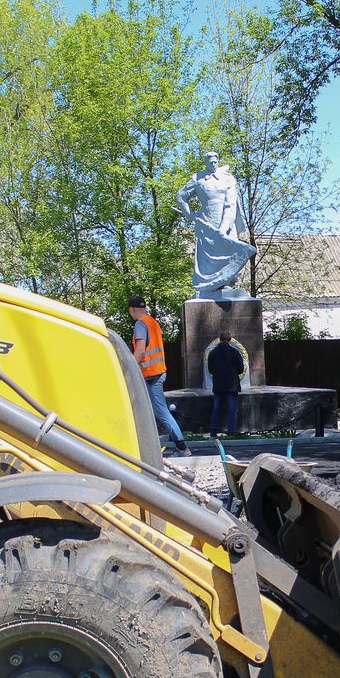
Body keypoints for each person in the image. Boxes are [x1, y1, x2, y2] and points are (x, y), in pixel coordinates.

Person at [176, 152, 257, 297]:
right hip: (206, 223)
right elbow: (181, 196)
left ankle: (228, 283)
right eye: (210, 162)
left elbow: (230, 205)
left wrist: (223, 228)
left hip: (226, 223)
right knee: (208, 261)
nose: (213, 165)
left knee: (230, 253)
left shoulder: (228, 178)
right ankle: (210, 286)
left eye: (215, 162)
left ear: (218, 161)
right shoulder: (198, 178)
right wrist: (189, 215)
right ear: (206, 163)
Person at [127, 295, 191, 457]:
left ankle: (182, 448)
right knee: (151, 411)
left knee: (162, 412)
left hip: (150, 375)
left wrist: (129, 368)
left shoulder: (140, 324)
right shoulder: (153, 323)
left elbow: (140, 350)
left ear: (132, 309)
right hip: (157, 372)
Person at [207, 331, 245, 437]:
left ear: (220, 339)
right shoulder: (235, 352)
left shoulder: (212, 353)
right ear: (230, 340)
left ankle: (213, 432)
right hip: (232, 386)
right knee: (231, 410)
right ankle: (231, 432)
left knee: (216, 409)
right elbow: (241, 369)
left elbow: (210, 369)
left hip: (218, 385)